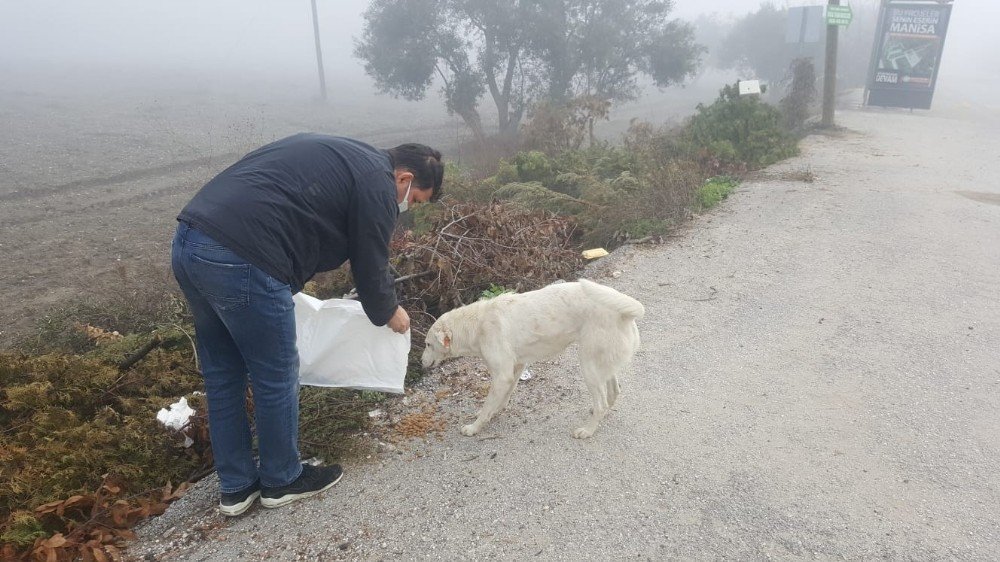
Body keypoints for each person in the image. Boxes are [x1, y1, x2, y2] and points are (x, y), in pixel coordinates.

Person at [170, 133, 444, 516]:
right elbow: (370, 262)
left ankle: (235, 487)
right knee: (276, 371)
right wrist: (388, 311)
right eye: (414, 200)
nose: (407, 207)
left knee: (223, 374)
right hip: (243, 256)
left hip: (189, 243)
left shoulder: (349, 157)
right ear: (404, 179)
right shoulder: (378, 183)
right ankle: (282, 479)